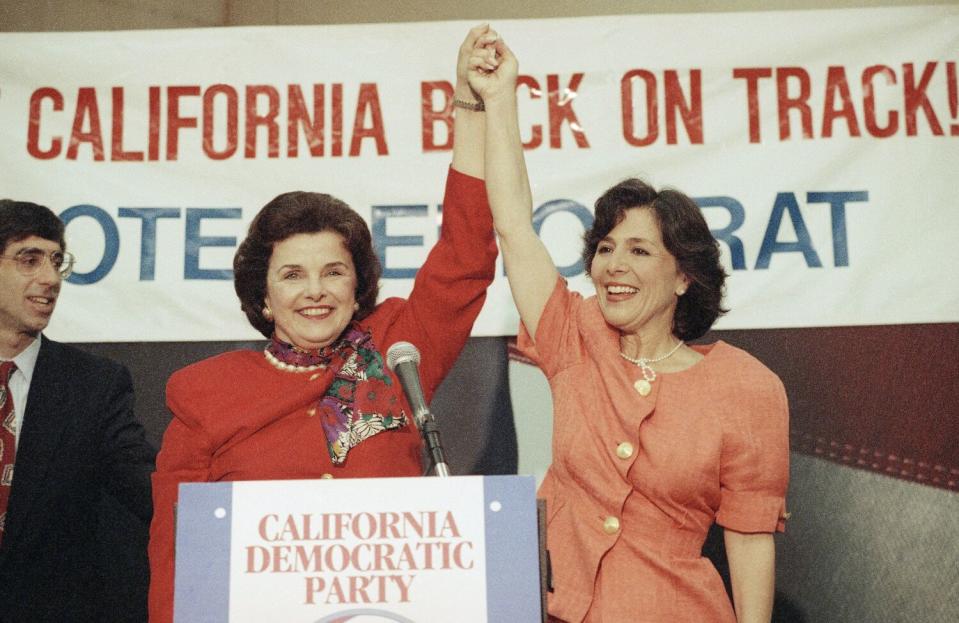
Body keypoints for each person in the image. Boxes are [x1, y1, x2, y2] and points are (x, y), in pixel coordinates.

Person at [147, 25, 499, 623]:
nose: (315, 291)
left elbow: (465, 255)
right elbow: (176, 553)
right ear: (262, 298)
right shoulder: (203, 392)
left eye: (333, 271)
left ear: (357, 285)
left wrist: (469, 108)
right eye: (292, 275)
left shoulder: (397, 349)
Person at [468, 37, 789, 622]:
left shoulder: (747, 387)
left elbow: (749, 537)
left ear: (684, 276)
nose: (614, 265)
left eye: (639, 251)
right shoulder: (574, 333)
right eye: (605, 248)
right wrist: (499, 98)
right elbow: (513, 224)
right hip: (546, 607)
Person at [0, 200, 156, 622]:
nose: (50, 279)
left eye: (56, 261)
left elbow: (153, 492)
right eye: (29, 260)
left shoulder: (93, 387)